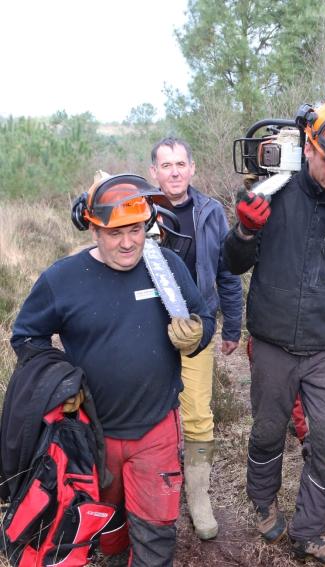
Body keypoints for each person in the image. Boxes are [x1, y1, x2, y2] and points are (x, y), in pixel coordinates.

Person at [11, 172, 215, 566]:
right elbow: (26, 338)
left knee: (156, 533)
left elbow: (203, 317)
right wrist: (60, 384)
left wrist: (198, 334)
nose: (127, 242)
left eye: (136, 229)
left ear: (148, 225)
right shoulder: (62, 279)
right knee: (106, 526)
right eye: (115, 232)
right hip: (92, 435)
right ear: (92, 228)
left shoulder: (165, 266)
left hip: (155, 426)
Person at [223, 97, 325, 566]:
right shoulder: (272, 193)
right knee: (269, 431)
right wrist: (245, 231)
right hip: (271, 342)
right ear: (309, 146)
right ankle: (262, 501)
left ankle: (309, 531)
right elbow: (231, 264)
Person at [149, 137, 243, 541]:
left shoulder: (210, 213)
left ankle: (199, 495)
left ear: (192, 169)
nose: (173, 171)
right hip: (147, 330)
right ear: (154, 172)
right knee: (148, 414)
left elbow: (226, 271)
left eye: (180, 164)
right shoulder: (141, 209)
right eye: (165, 164)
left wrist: (233, 325)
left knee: (199, 416)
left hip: (197, 328)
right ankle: (152, 495)